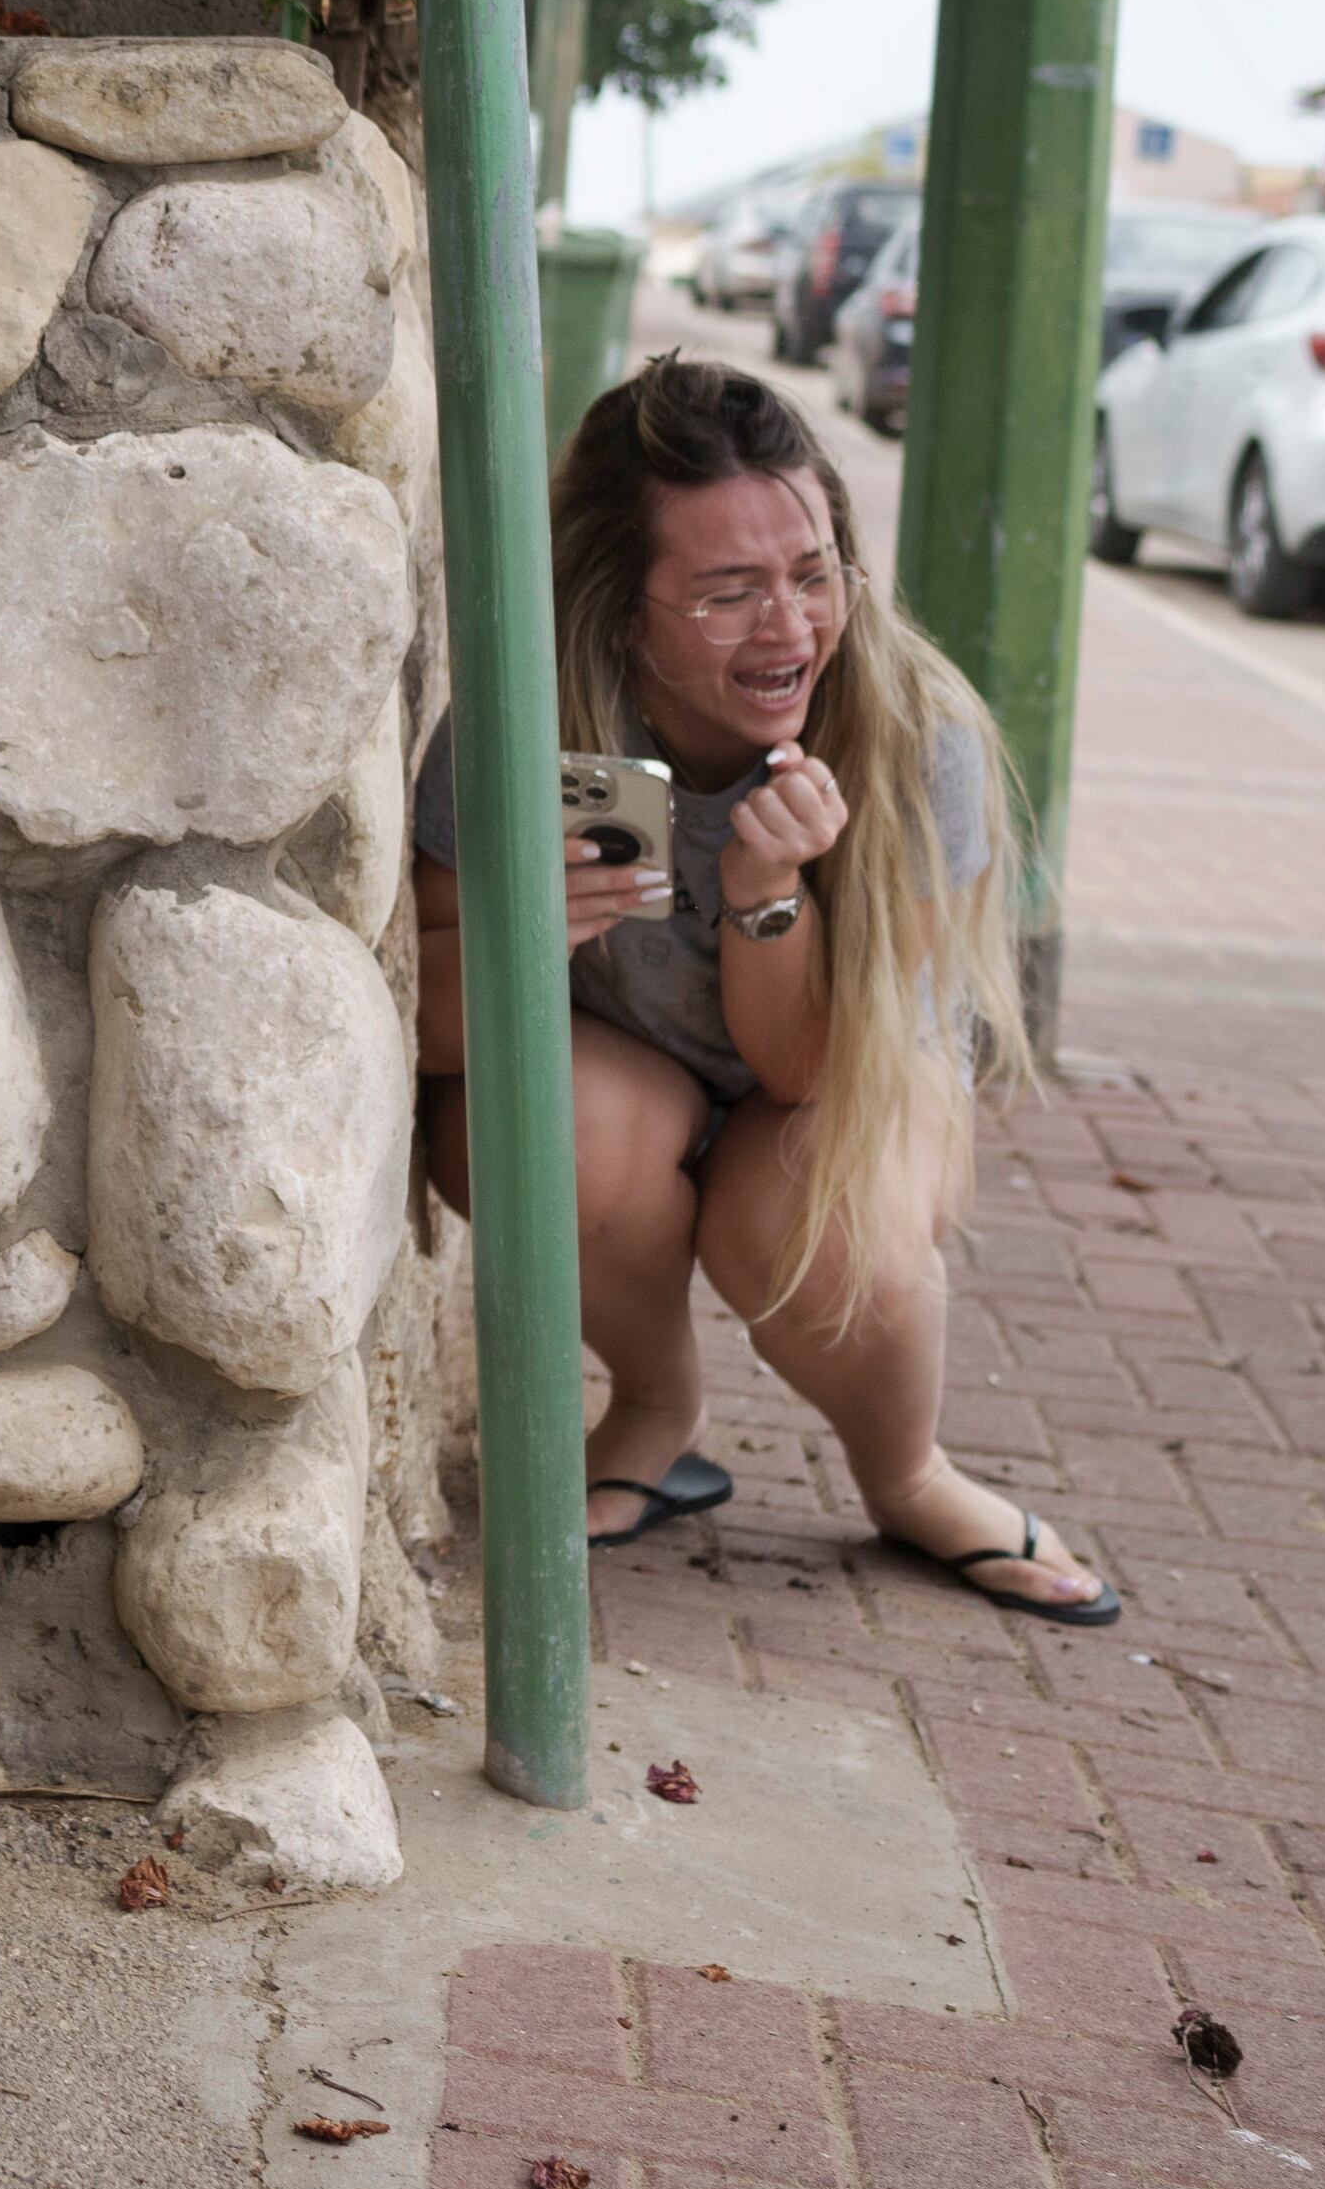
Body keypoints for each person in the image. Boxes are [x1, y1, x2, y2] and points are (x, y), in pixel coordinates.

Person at [412, 353, 1114, 1623]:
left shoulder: (913, 736)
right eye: (727, 594)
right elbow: (427, 1033)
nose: (788, 629)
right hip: (628, 1075)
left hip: (836, 1081)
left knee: (805, 1225)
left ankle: (905, 1471)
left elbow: (809, 1075)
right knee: (548, 1135)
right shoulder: (531, 726)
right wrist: (528, 942)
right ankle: (652, 1399)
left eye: (810, 574)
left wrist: (763, 890)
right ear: (624, 609)